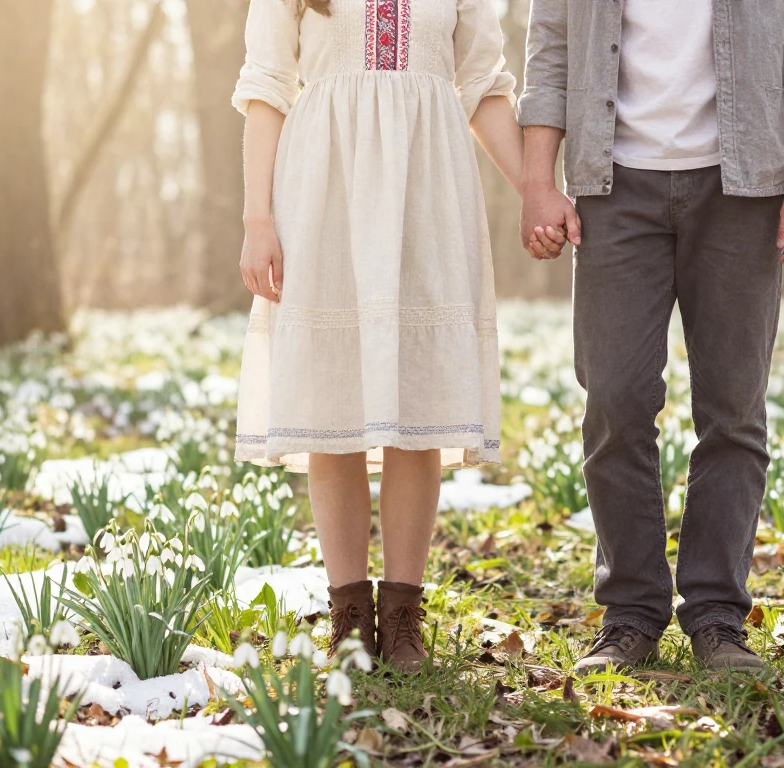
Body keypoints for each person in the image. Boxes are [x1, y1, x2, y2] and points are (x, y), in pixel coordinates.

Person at [518, 0, 784, 672]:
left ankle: (717, 619)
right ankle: (632, 614)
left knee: (732, 411)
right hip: (612, 187)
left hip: (744, 186)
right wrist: (536, 181)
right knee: (614, 400)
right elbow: (549, 50)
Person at [231, 0, 548, 673]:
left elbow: (483, 86)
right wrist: (258, 219)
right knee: (333, 398)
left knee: (418, 401)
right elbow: (265, 86)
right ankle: (348, 616)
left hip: (428, 187)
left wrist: (534, 190)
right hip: (325, 185)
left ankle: (404, 617)